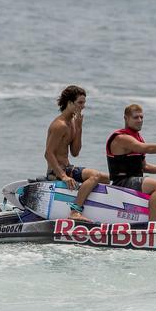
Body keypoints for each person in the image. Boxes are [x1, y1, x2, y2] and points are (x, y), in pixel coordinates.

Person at [44, 85, 109, 222]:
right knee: (95, 175)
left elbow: (75, 152)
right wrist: (63, 177)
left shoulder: (72, 123)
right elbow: (48, 154)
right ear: (69, 103)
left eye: (84, 102)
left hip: (69, 168)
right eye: (80, 102)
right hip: (57, 172)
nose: (83, 106)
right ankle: (75, 210)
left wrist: (79, 128)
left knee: (108, 178)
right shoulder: (59, 125)